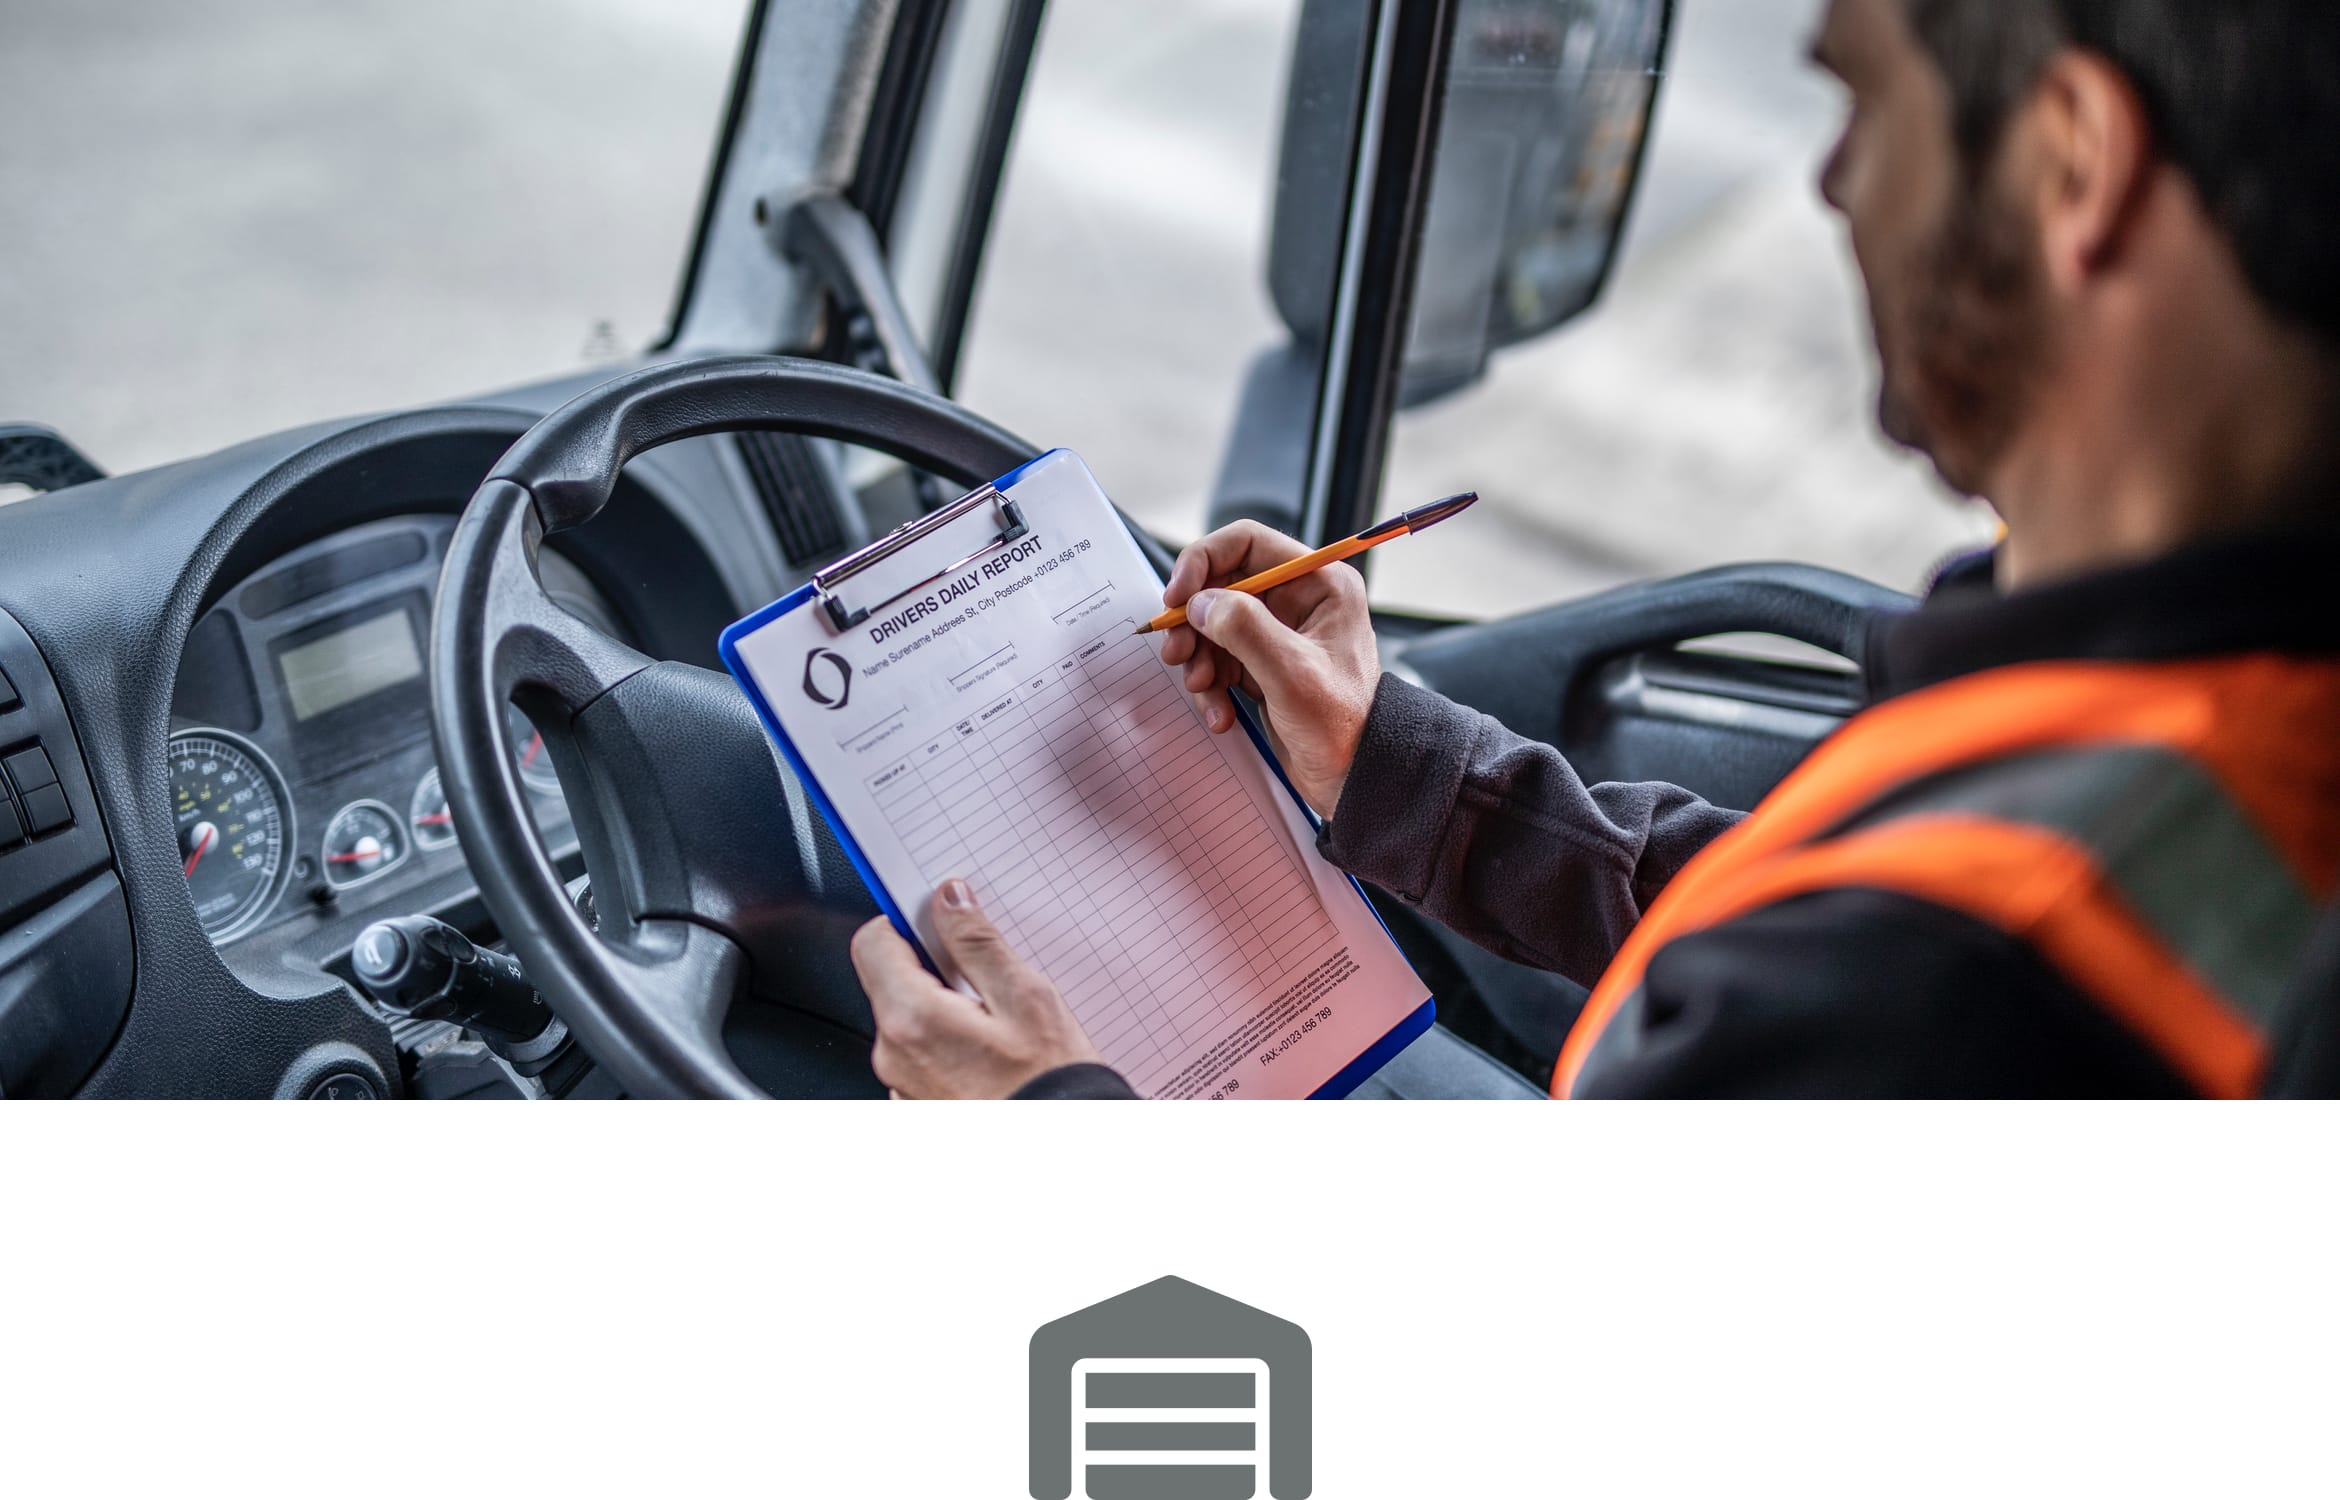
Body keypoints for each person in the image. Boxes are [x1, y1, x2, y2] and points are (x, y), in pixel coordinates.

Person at [849, 0, 2340, 1099]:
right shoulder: (2203, 714)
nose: (1830, 185)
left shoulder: (1924, 988)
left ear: (2074, 166)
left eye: (1865, 107)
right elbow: (1812, 887)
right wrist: (1410, 778)